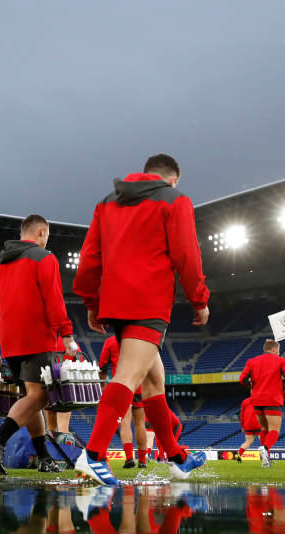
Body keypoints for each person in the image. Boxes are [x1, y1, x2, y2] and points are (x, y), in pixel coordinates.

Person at [72, 154, 209, 484]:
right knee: (129, 374)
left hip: (115, 301)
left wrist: (91, 302)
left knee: (153, 381)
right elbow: (187, 254)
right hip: (148, 301)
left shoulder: (107, 203)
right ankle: (93, 454)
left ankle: (176, 457)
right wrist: (199, 299)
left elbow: (89, 258)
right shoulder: (175, 199)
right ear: (172, 179)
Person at [0, 214, 79, 475]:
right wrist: (66, 334)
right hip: (36, 337)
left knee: (31, 397)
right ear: (41, 232)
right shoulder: (44, 258)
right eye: (47, 235)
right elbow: (54, 298)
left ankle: (44, 457)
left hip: (10, 342)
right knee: (40, 396)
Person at [239, 339, 285, 468]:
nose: (279, 353)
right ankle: (265, 448)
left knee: (264, 429)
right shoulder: (281, 361)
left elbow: (242, 379)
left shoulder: (251, 361)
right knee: (274, 430)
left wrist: (253, 387)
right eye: (278, 350)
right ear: (274, 349)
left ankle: (265, 460)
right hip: (273, 399)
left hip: (257, 400)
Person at [99, 334, 148, 469]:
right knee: (140, 424)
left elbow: (102, 366)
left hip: (123, 385)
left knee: (125, 423)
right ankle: (142, 461)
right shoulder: (140, 339)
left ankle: (129, 458)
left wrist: (102, 386)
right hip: (139, 385)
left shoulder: (110, 341)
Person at [235, 397, 262, 463]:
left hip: (248, 424)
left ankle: (238, 454)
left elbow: (241, 415)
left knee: (248, 442)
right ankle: (267, 458)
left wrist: (243, 426)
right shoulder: (261, 399)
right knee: (264, 442)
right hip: (258, 423)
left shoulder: (245, 401)